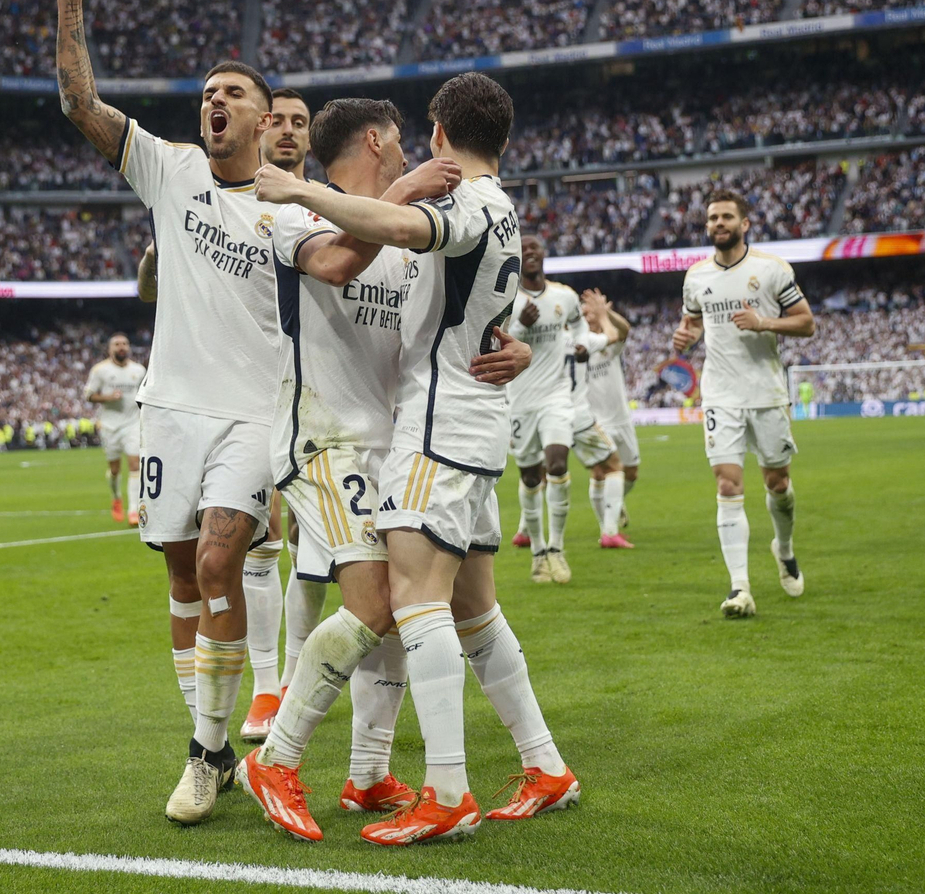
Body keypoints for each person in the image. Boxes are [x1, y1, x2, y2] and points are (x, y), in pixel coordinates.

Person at [255, 72, 577, 846]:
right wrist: (310, 192)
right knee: (405, 605)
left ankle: (404, 778)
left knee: (437, 605)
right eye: (394, 139)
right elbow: (340, 260)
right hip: (329, 438)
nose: (408, 144)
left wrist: (512, 346)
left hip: (427, 431)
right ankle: (294, 759)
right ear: (378, 141)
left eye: (418, 133)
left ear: (439, 135)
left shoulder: (435, 208)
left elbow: (440, 279)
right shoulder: (294, 217)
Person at [57, 0, 279, 825]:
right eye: (207, 94)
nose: (213, 101)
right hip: (171, 411)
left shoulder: (296, 206)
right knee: (186, 580)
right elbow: (80, 102)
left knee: (225, 558)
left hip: (253, 418)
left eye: (232, 93)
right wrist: (69, 0)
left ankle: (201, 752)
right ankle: (217, 749)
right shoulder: (172, 170)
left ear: (265, 118)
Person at [671, 189, 815, 618]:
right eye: (713, 217)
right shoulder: (696, 276)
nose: (718, 223)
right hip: (720, 394)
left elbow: (807, 323)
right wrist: (686, 337)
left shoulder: (771, 271)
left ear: (744, 224)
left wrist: (763, 322)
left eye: (727, 217)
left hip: (766, 393)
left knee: (778, 482)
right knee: (727, 483)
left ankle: (784, 548)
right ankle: (739, 588)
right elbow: (692, 321)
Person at [241, 85, 311, 744]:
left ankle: (295, 676)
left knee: (312, 550)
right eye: (277, 120)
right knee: (260, 541)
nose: (287, 131)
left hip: (320, 394)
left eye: (299, 123)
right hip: (250, 393)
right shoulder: (228, 200)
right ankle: (268, 688)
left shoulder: (323, 206)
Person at [504, 236, 586, 583]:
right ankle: (538, 552)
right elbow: (496, 340)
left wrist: (582, 344)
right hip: (520, 401)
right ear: (518, 260)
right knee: (530, 476)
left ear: (543, 255)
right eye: (523, 250)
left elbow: (580, 325)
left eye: (535, 248)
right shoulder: (507, 300)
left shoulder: (564, 296)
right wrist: (520, 323)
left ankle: (557, 548)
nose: (530, 253)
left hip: (556, 396)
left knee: (557, 464)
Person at [581, 288, 639, 548]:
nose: (588, 315)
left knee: (631, 472)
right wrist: (599, 315)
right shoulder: (578, 344)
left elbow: (623, 330)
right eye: (584, 312)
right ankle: (608, 529)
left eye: (591, 311)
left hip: (621, 418)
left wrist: (606, 313)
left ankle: (612, 507)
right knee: (601, 472)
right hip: (594, 420)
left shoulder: (608, 344)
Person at [83, 333, 146, 523]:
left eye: (125, 343)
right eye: (117, 344)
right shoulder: (100, 370)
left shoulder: (139, 370)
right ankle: (116, 497)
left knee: (135, 464)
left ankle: (133, 511)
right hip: (109, 425)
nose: (121, 347)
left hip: (132, 423)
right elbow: (88, 395)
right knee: (115, 468)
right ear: (110, 349)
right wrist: (107, 398)